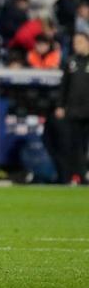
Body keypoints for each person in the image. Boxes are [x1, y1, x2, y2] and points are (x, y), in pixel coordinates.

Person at [52, 32, 89, 183]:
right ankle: (78, 175)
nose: (76, 45)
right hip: (74, 111)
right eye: (74, 43)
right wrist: (60, 105)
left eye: (79, 42)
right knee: (75, 145)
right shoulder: (71, 62)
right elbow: (64, 87)